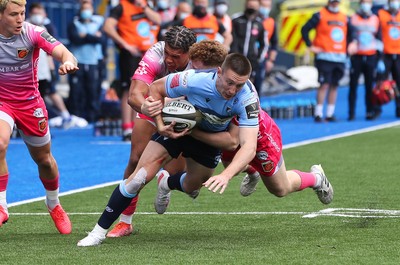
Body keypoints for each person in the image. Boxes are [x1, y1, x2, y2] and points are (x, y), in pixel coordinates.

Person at [77, 53, 259, 246]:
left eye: (239, 85)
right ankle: (97, 233)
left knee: (193, 186)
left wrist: (227, 175)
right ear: (219, 72)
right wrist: (159, 123)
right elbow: (155, 88)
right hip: (175, 129)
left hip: (209, 140)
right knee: (137, 179)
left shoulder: (247, 98)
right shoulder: (194, 79)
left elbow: (248, 146)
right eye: (229, 82)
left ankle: (166, 183)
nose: (233, 90)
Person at [105, 26, 197, 238]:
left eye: (175, 56)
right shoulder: (156, 54)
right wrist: (145, 107)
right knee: (136, 159)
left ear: (190, 53)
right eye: (167, 53)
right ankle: (125, 222)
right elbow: (134, 95)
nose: (169, 60)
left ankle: (165, 182)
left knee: (178, 172)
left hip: (185, 110)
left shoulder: (200, 62)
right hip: (154, 104)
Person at [0, 0, 79, 233]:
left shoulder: (32, 32)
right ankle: (2, 205)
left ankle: (53, 203)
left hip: (30, 103)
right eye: (14, 14)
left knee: (44, 161)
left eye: (22, 13)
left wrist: (67, 61)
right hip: (2, 103)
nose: (20, 19)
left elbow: (64, 52)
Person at [104, 0, 161, 141]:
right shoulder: (120, 7)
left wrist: (144, 7)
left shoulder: (147, 4)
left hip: (150, 53)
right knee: (129, 89)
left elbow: (158, 20)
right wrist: (124, 44)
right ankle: (127, 128)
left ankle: (143, 126)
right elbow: (108, 26)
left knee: (150, 89)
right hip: (130, 54)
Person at [301, 0, 358, 122]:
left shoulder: (345, 17)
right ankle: (318, 113)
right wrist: (310, 45)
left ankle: (330, 113)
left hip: (340, 57)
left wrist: (353, 43)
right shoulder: (319, 15)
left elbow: (352, 33)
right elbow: (305, 29)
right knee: (324, 84)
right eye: (333, 2)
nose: (335, 5)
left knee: (335, 85)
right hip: (324, 57)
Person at [28, 2, 74, 128]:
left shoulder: (44, 30)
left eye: (39, 13)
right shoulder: (24, 28)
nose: (37, 16)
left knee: (41, 98)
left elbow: (55, 50)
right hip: (25, 73)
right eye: (34, 13)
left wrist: (65, 62)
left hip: (42, 71)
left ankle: (42, 124)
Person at [67, 0, 104, 123]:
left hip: (93, 61)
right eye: (84, 9)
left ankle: (92, 117)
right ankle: (76, 117)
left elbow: (101, 39)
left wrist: (85, 36)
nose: (86, 12)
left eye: (88, 8)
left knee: (93, 90)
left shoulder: (98, 22)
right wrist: (92, 36)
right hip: (77, 61)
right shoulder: (74, 23)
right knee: (76, 90)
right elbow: (75, 39)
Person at [348, 0, 382, 121]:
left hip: (370, 56)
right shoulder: (353, 18)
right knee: (353, 86)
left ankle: (369, 111)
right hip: (356, 56)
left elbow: (379, 38)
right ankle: (351, 113)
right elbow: (349, 36)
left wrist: (380, 58)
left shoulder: (375, 19)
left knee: (369, 86)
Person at [230, 0, 268, 90]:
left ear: (258, 8)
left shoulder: (259, 24)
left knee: (248, 87)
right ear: (246, 5)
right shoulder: (236, 20)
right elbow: (230, 37)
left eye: (254, 6)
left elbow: (264, 44)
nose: (252, 8)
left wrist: (258, 59)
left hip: (251, 62)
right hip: (235, 60)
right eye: (250, 5)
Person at [377, 0, 400, 117]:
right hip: (385, 54)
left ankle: (399, 108)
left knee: (399, 83)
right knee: (381, 82)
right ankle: (376, 109)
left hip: (398, 54)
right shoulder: (380, 14)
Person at [254, 0, 278, 95]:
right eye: (263, 6)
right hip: (250, 57)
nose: (265, 9)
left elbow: (274, 44)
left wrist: (271, 60)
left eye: (267, 6)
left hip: (262, 58)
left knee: (258, 87)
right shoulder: (252, 20)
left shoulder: (271, 22)